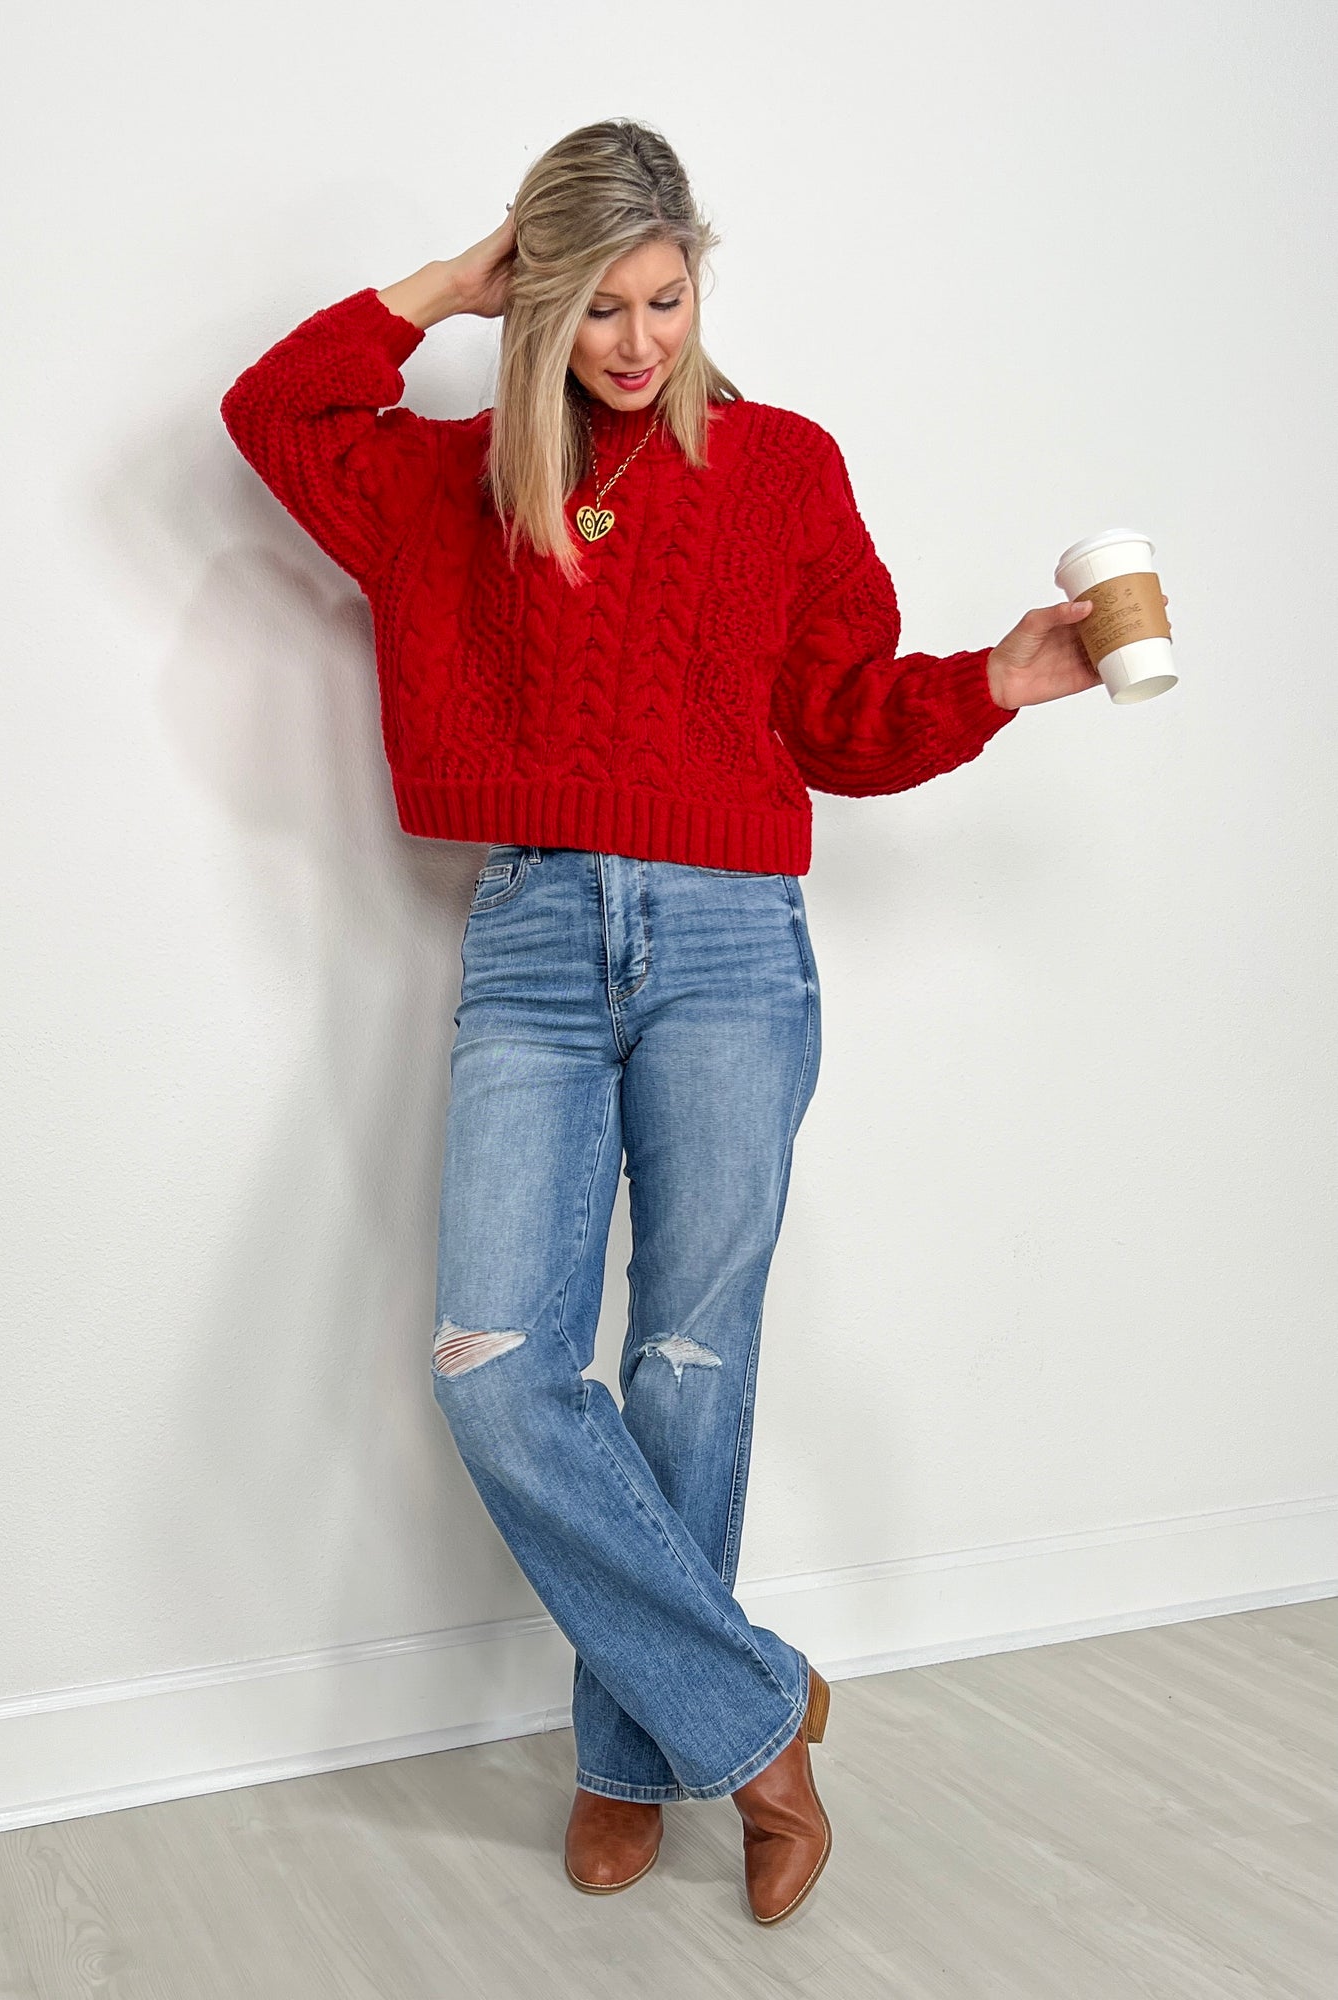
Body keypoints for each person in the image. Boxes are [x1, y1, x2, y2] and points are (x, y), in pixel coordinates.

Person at [220, 117, 1165, 1929]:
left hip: (734, 944)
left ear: (700, 282)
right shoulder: (454, 483)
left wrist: (1004, 678)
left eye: (664, 298)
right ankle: (753, 1713)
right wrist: (458, 279)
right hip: (531, 942)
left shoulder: (786, 468)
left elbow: (845, 719)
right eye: (595, 306)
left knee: (689, 1363)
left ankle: (633, 1752)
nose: (637, 340)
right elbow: (276, 413)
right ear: (539, 305)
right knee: (499, 1369)